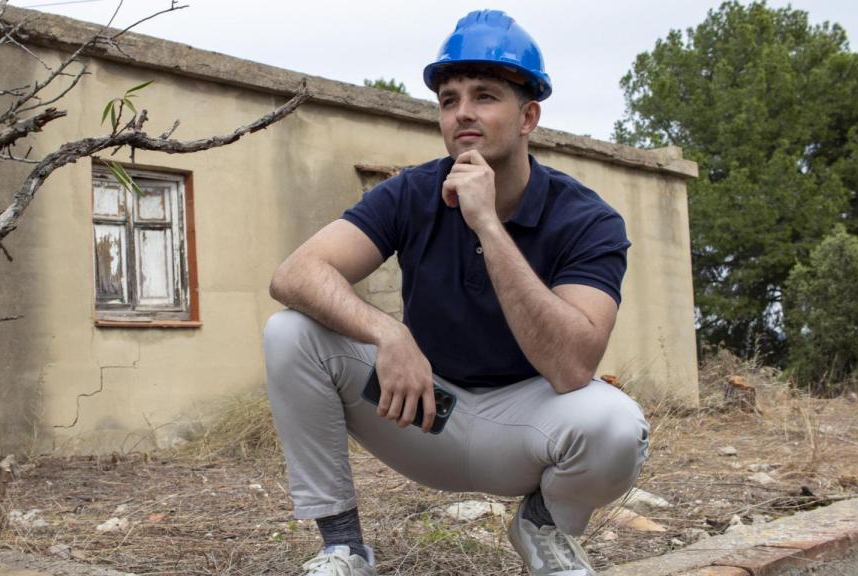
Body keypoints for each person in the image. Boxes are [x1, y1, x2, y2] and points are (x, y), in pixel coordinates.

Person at [263, 9, 650, 576]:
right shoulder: (412, 192)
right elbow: (294, 274)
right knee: (291, 332)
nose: (462, 112)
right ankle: (343, 548)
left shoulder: (588, 219)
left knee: (617, 427)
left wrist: (488, 225)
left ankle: (543, 527)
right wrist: (388, 332)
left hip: (526, 428)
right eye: (449, 99)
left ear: (528, 116)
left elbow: (572, 368)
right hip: (423, 413)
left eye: (485, 95)